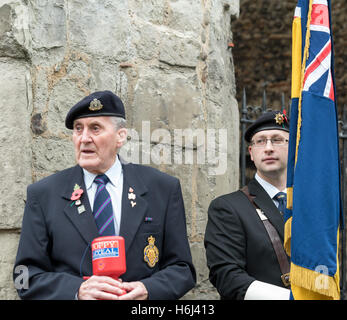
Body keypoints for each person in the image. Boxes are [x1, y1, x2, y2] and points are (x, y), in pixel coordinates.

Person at [13, 90, 196, 300]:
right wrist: (76, 291)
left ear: (120, 136)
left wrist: (149, 289)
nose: (84, 139)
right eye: (78, 129)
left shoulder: (162, 188)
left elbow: (183, 270)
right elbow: (23, 277)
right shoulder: (44, 194)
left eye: (95, 128)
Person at [204, 110, 291, 300]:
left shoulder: (311, 206)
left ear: (293, 148)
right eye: (260, 141)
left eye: (277, 140)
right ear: (251, 153)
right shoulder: (228, 207)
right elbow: (227, 277)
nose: (268, 148)